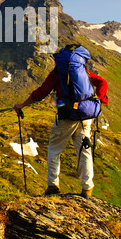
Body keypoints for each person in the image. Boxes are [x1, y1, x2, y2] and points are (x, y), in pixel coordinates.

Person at [13, 59, 108, 198]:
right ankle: (87, 188)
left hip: (66, 116)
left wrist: (23, 104)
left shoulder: (57, 73)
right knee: (84, 149)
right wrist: (99, 100)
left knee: (55, 149)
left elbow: (41, 93)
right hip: (86, 116)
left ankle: (53, 185)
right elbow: (103, 82)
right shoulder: (83, 71)